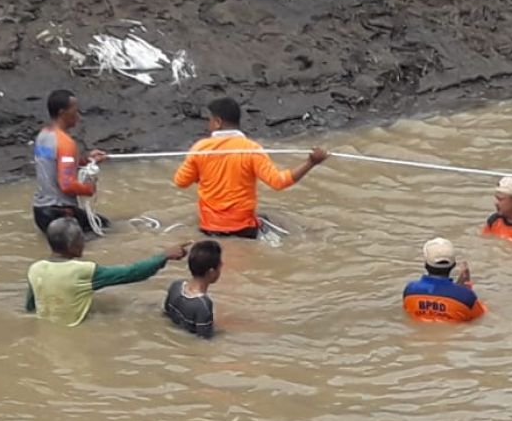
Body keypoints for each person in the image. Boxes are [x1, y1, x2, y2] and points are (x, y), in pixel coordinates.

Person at [173, 96, 329, 237]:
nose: (208, 125)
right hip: (244, 230)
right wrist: (311, 163)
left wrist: (202, 176)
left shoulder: (200, 149)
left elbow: (180, 181)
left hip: (209, 229)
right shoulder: (252, 149)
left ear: (218, 122)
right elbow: (279, 182)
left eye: (210, 120)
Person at [25, 219, 189, 327]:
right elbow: (132, 273)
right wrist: (164, 255)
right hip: (78, 330)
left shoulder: (35, 269)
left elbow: (30, 308)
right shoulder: (82, 271)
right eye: (81, 239)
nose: (84, 243)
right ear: (73, 244)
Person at [32, 89, 110, 236]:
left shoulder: (43, 136)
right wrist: (89, 188)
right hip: (60, 212)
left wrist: (87, 160)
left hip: (41, 212)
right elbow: (67, 185)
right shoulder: (66, 143)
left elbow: (54, 163)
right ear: (62, 113)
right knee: (106, 229)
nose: (78, 116)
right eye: (75, 111)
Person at [403, 237, 486, 323]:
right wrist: (466, 288)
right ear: (453, 265)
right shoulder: (466, 297)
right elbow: (482, 317)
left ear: (425, 264)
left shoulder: (410, 291)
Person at [164, 240, 222, 339]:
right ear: (211, 272)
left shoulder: (176, 286)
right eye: (220, 266)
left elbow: (166, 314)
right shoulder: (203, 304)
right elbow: (204, 339)